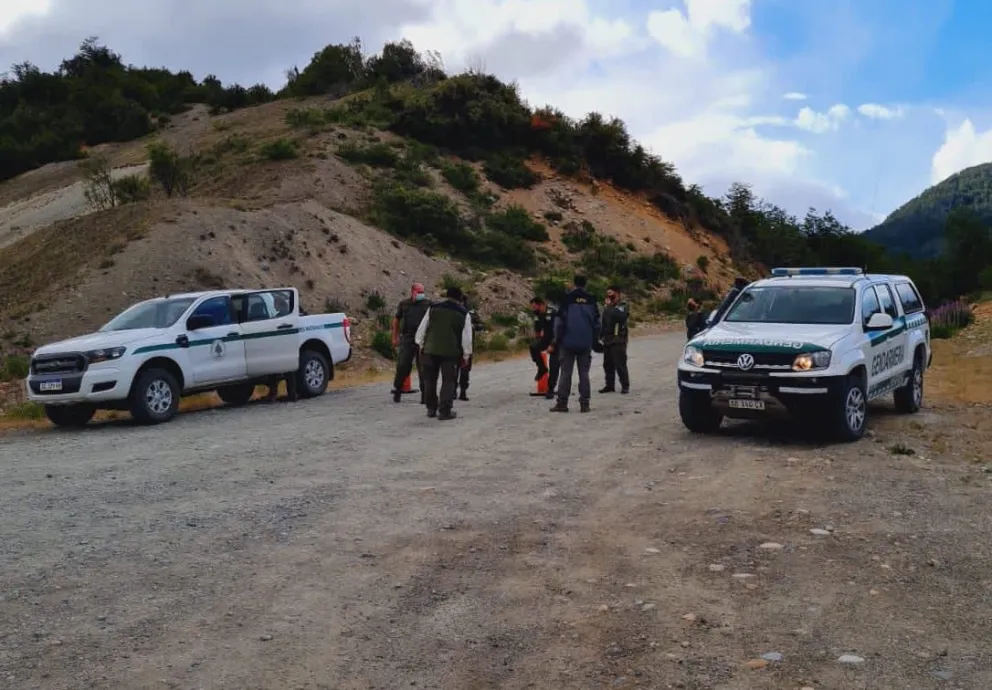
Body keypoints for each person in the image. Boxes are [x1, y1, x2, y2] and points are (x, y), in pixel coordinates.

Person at [415, 286, 474, 420]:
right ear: (459, 298)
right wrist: (466, 355)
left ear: (447, 295)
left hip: (430, 350)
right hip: (450, 352)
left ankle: (431, 408)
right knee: (448, 381)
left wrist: (421, 345)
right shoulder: (463, 313)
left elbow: (422, 328)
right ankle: (444, 411)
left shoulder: (433, 307)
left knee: (429, 379)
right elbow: (467, 338)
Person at [551, 275, 600, 413]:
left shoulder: (566, 299)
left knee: (566, 373)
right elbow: (597, 324)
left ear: (574, 283)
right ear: (586, 284)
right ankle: (585, 404)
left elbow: (559, 323)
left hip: (567, 342)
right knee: (584, 373)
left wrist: (557, 340)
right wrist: (594, 340)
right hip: (585, 343)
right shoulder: (592, 300)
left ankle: (562, 403)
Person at [391, 282, 431, 403]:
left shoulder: (428, 304)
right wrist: (395, 337)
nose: (421, 294)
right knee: (403, 365)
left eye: (422, 292)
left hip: (423, 339)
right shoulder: (404, 304)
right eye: (419, 292)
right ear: (413, 292)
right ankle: (398, 389)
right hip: (408, 338)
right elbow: (396, 320)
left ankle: (425, 394)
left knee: (423, 367)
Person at [599, 285, 630, 394]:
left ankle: (625, 385)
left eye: (612, 294)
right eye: (608, 294)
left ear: (618, 294)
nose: (609, 296)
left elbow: (622, 316)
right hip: (607, 339)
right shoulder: (607, 307)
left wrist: (611, 306)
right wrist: (601, 335)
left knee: (620, 363)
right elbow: (603, 322)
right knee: (607, 364)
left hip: (618, 339)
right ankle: (609, 385)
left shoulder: (622, 305)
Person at [529, 297, 560, 399]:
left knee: (554, 365)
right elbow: (538, 329)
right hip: (546, 339)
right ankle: (542, 369)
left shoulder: (553, 312)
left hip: (557, 340)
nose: (533, 309)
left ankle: (550, 389)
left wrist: (553, 344)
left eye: (535, 307)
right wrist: (537, 339)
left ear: (541, 305)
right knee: (533, 346)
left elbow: (558, 330)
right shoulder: (537, 314)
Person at [455, 293, 484, 401]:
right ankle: (452, 391)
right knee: (453, 369)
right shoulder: (453, 311)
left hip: (466, 344)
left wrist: (474, 326)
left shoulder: (470, 313)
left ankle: (463, 391)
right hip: (454, 344)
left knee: (465, 369)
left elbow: (481, 325)